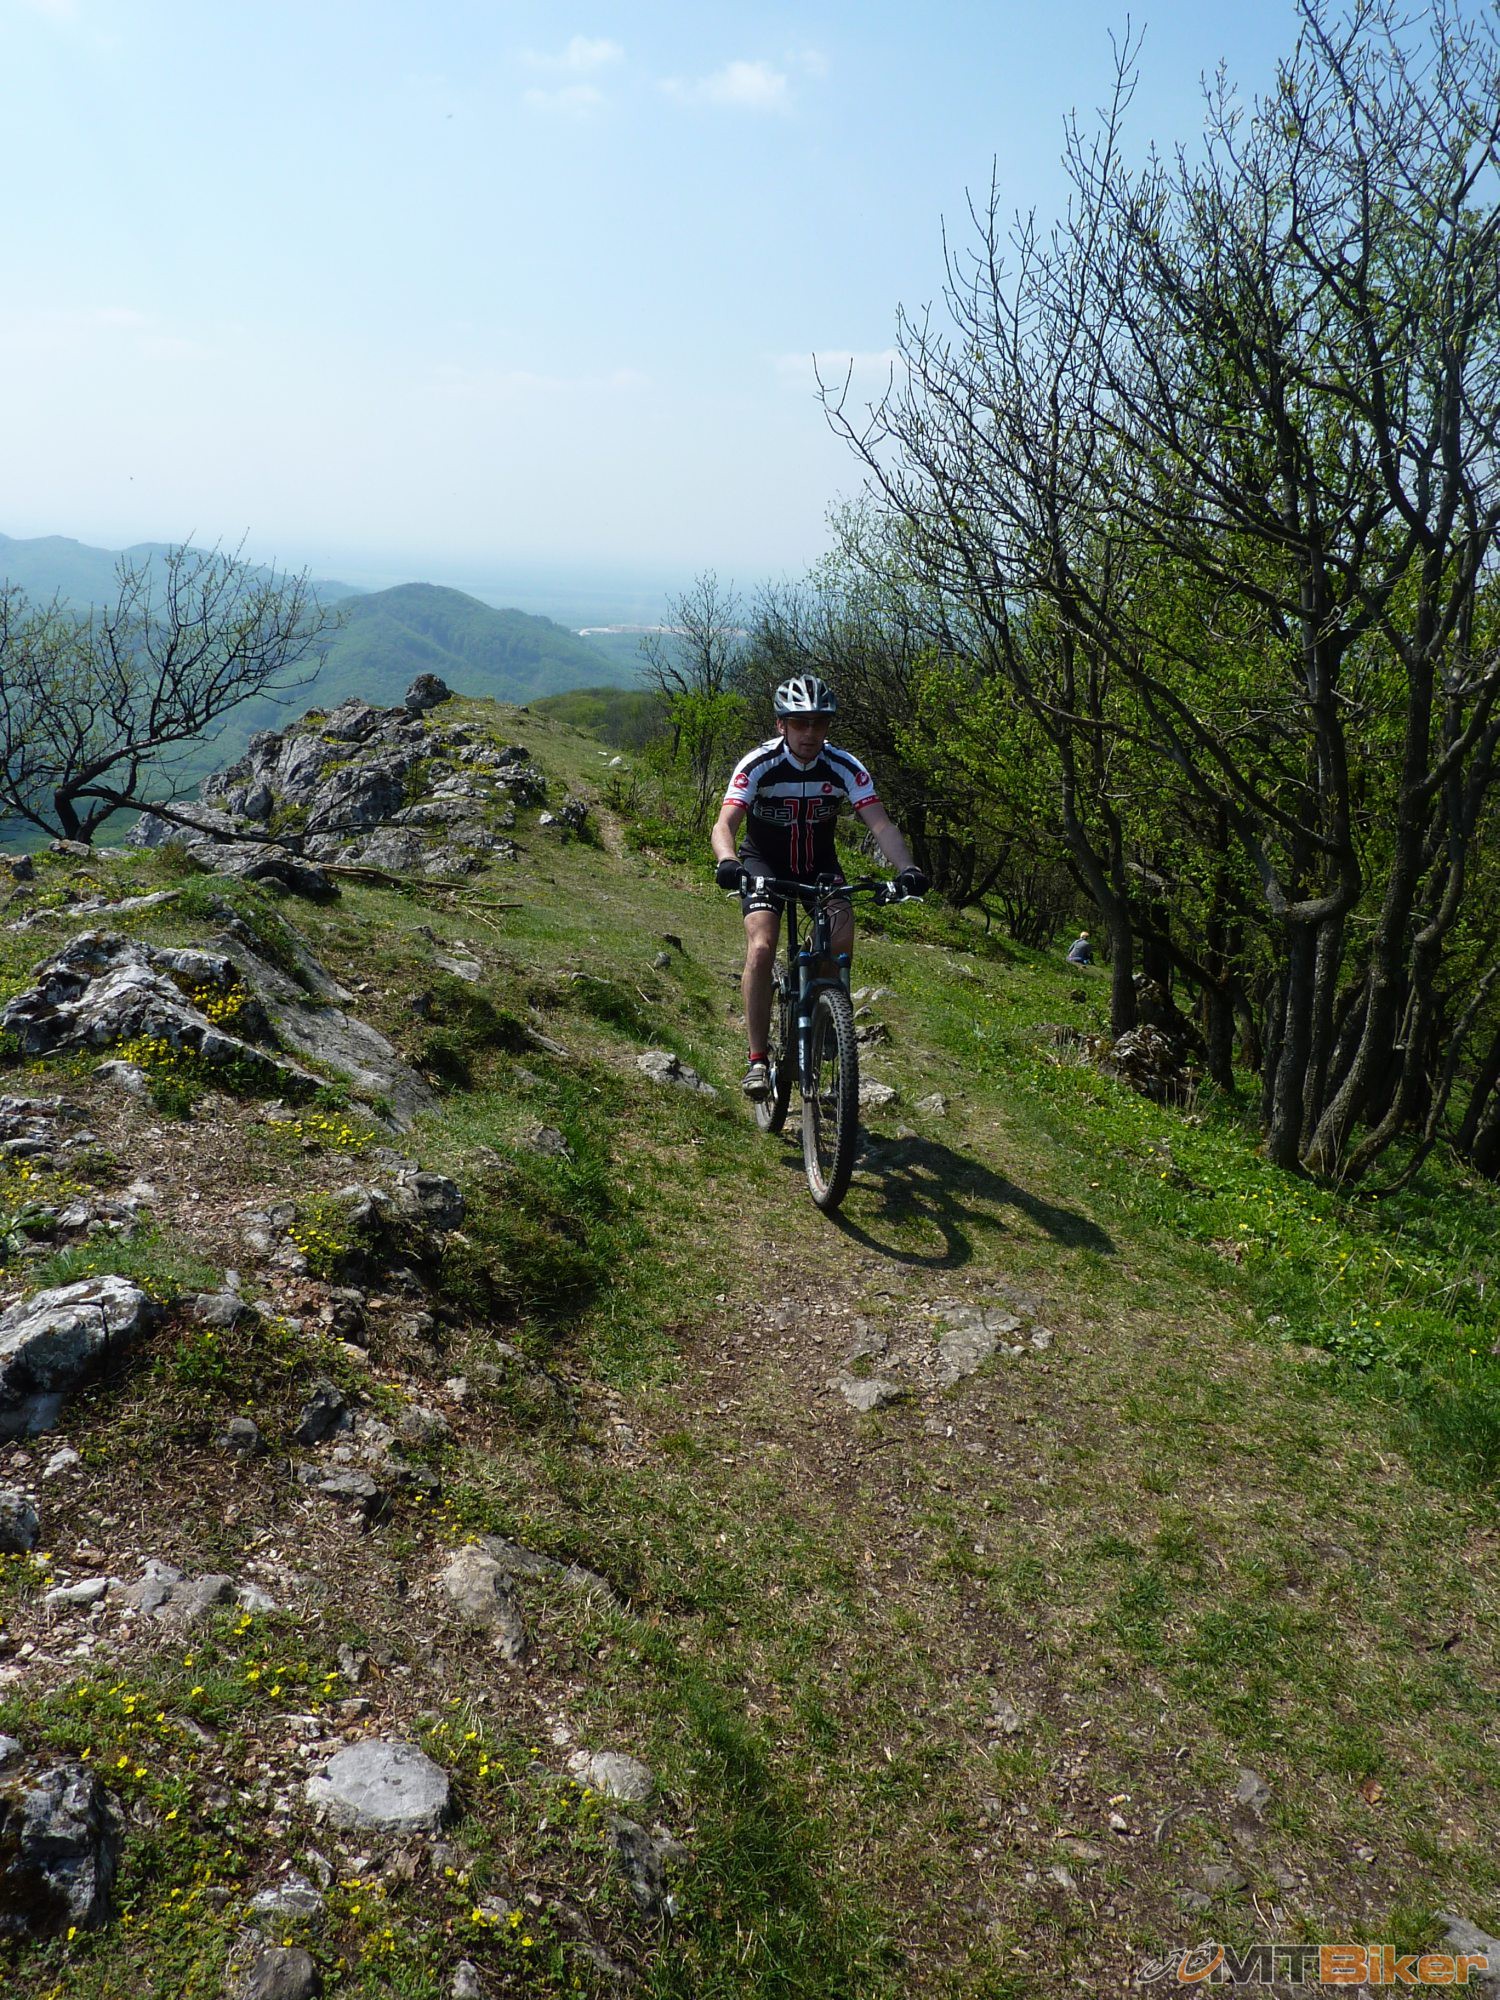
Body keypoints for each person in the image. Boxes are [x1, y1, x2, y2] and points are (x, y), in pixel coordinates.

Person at [710, 674, 927, 1098]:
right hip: (764, 862)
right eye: (799, 722)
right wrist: (728, 861)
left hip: (819, 867)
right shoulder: (758, 764)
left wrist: (907, 869)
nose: (810, 733)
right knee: (761, 946)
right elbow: (725, 824)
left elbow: (880, 824)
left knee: (841, 933)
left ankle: (826, 1016)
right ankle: (757, 1059)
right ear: (781, 725)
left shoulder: (844, 766)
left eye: (819, 723)